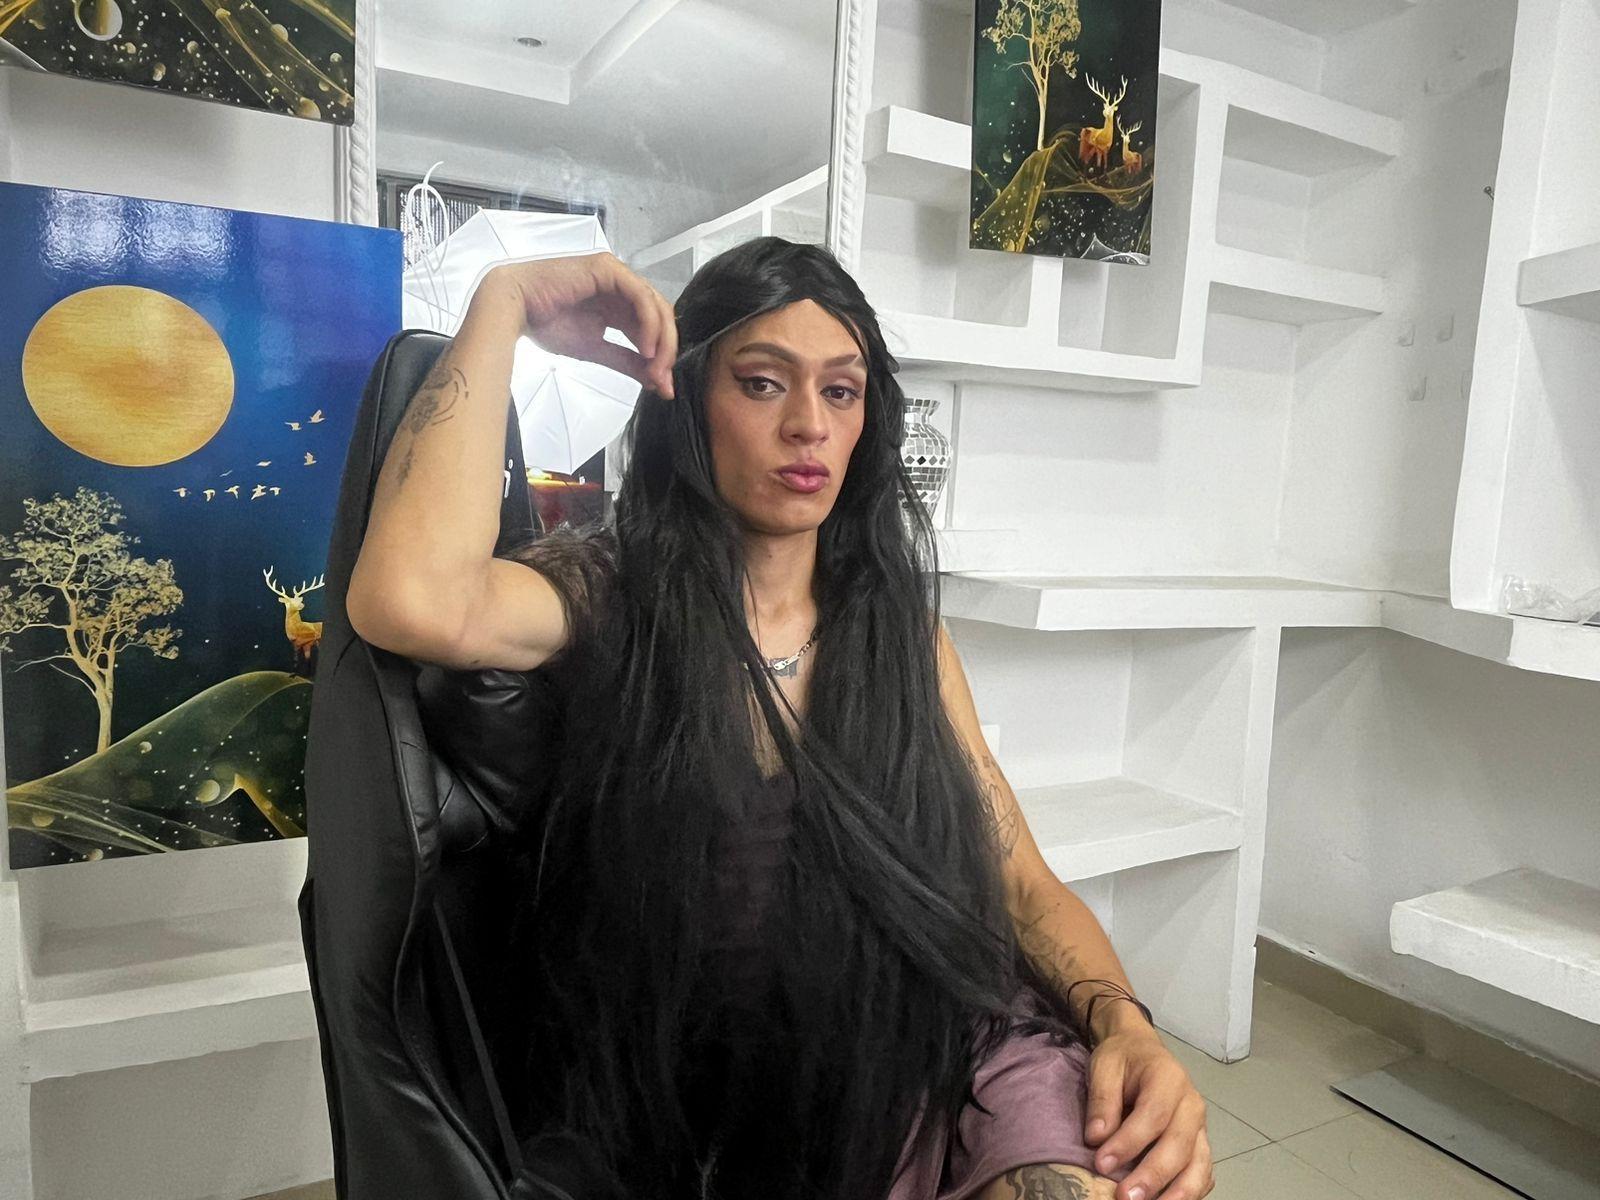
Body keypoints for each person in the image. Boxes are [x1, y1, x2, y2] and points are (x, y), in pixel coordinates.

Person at [346, 238, 1214, 1200]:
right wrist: (502, 304)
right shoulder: (608, 597)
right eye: (762, 383)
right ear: (687, 402)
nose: (809, 425)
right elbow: (412, 600)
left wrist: (1126, 1026)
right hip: (723, 1106)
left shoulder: (901, 635)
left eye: (841, 392)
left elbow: (1019, 884)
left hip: (945, 1048)